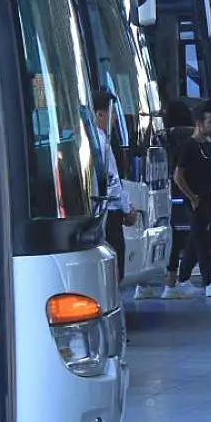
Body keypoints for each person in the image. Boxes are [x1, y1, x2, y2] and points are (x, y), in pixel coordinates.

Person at [170, 109, 211, 298]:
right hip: (194, 201)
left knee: (195, 238)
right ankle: (208, 281)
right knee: (201, 240)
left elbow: (208, 176)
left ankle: (184, 278)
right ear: (199, 124)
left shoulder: (207, 147)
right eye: (210, 122)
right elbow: (178, 176)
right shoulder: (187, 147)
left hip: (205, 199)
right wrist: (192, 197)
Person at [87, 91, 138, 284]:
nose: (116, 119)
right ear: (100, 114)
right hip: (110, 212)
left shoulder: (94, 139)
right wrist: (127, 208)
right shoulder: (100, 143)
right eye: (113, 113)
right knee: (115, 271)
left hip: (102, 210)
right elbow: (111, 181)